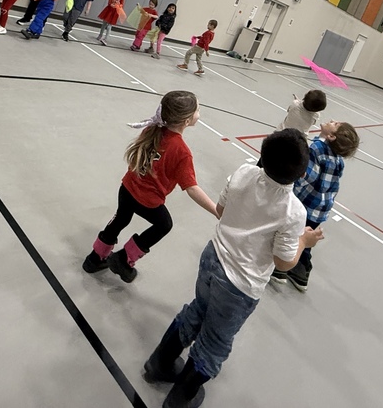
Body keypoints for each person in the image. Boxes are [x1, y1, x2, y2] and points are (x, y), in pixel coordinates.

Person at [142, 129, 323, 408]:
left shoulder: (244, 172)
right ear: (301, 175)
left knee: (197, 310)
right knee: (215, 341)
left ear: (262, 155)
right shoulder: (293, 212)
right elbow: (283, 262)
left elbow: (221, 211)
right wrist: (304, 241)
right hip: (240, 286)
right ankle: (179, 399)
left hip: (212, 257)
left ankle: (159, 364)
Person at [82, 91, 217, 283]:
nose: (199, 113)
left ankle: (95, 258)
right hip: (148, 201)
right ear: (187, 121)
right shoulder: (181, 151)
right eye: (198, 110)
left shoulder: (151, 130)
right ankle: (124, 258)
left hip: (127, 189)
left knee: (121, 219)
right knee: (164, 225)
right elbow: (191, 188)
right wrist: (216, 210)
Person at [270, 120, 359, 292]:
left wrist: (290, 189)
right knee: (305, 237)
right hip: (321, 209)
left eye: (335, 124)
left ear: (331, 136)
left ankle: (280, 270)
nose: (332, 120)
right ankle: (301, 273)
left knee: (291, 236)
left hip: (306, 204)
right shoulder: (339, 160)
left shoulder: (317, 149)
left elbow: (307, 176)